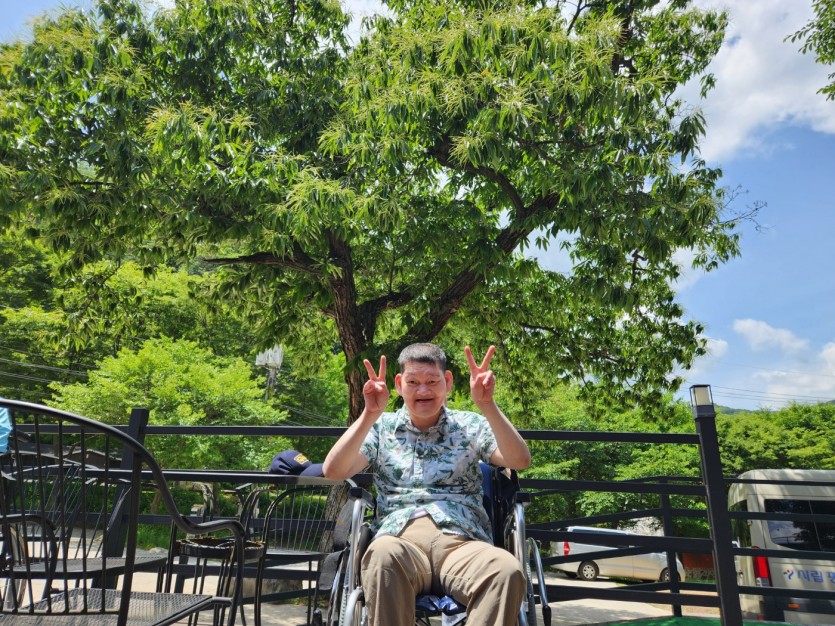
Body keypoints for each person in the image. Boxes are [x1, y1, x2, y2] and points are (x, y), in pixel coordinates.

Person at [323, 343, 531, 626]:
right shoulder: (381, 428)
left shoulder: (471, 425)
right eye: (413, 382)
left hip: (462, 542)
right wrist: (369, 413)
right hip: (400, 540)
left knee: (506, 570)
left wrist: (488, 405)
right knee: (381, 556)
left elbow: (519, 460)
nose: (423, 390)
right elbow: (333, 471)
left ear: (447, 382)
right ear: (399, 384)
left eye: (432, 381)